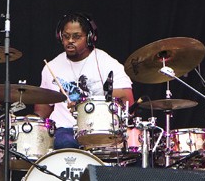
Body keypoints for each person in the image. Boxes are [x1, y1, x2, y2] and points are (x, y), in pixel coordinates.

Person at [34, 12, 135, 149]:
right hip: (65, 129)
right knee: (63, 141)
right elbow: (43, 109)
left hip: (99, 129)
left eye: (76, 36)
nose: (70, 40)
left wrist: (84, 103)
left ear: (89, 38)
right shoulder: (51, 67)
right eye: (66, 36)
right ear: (60, 37)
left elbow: (127, 100)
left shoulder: (108, 64)